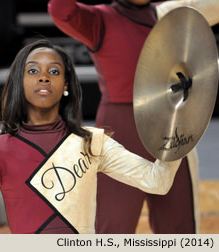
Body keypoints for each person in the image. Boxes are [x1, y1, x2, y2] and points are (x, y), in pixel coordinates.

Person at [0, 39, 182, 234]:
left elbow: (157, 180)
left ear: (65, 85)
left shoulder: (92, 142)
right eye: (33, 71)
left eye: (54, 71)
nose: (44, 77)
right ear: (20, 81)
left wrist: (183, 119)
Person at [48, 0, 219, 234]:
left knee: (179, 228)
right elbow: (60, 10)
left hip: (173, 126)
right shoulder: (100, 19)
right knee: (113, 227)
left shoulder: (170, 12)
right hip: (119, 133)